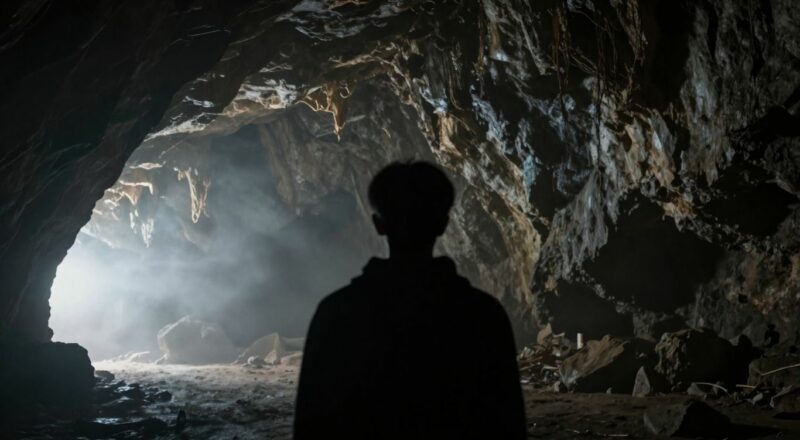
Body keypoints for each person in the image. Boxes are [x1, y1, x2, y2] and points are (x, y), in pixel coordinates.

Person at [293, 161, 526, 440]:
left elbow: (311, 423)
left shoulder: (337, 313)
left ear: (379, 225)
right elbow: (507, 422)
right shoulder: (483, 315)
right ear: (443, 224)